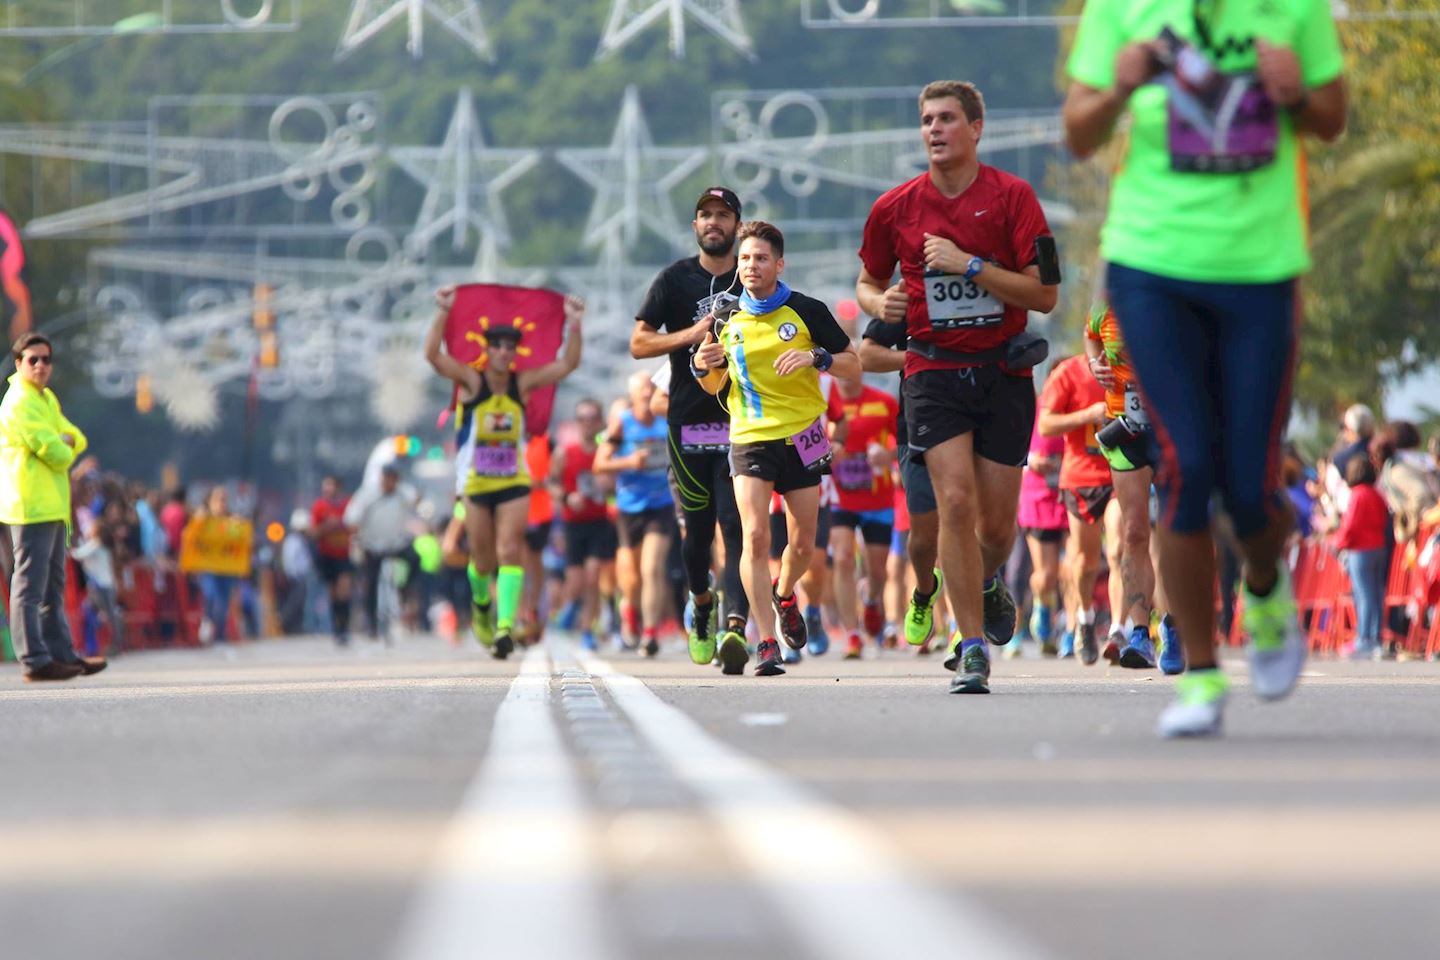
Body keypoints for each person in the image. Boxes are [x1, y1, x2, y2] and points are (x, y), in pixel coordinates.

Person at [1064, 0, 1346, 735]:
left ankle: (1263, 580)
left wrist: (1298, 92)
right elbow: (1078, 131)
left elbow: (1331, 117)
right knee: (1184, 468)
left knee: (1251, 488)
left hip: (1260, 266)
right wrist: (1119, 88)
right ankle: (1199, 675)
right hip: (1150, 264)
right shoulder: (1121, 11)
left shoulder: (1294, 10)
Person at [856, 80, 1059, 695]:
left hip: (1002, 371)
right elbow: (866, 282)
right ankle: (971, 646)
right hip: (930, 371)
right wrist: (879, 298)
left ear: (976, 128)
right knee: (955, 504)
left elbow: (1045, 293)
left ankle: (988, 581)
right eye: (926, 120)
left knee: (996, 529)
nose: (935, 130)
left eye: (947, 119)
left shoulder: (1014, 197)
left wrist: (970, 265)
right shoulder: (895, 207)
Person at [693, 220, 860, 677]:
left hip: (804, 436)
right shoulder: (724, 318)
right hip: (749, 436)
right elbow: (713, 385)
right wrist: (702, 364)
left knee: (804, 545)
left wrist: (817, 357)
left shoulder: (807, 310)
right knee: (755, 537)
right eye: (745, 258)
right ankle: (766, 642)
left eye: (761, 258)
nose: (751, 266)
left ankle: (786, 594)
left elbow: (853, 363)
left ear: (779, 264)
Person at [425, 285, 584, 659]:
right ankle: (482, 606)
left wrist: (574, 325)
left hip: (514, 480)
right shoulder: (471, 381)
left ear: (514, 352)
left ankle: (504, 627)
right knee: (482, 562)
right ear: (487, 349)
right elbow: (432, 355)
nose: (502, 352)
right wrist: (444, 311)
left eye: (508, 347)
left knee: (509, 550)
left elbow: (566, 366)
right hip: (477, 483)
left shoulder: (522, 384)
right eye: (495, 345)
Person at [630, 187, 750, 667]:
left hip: (742, 422)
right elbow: (639, 343)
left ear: (738, 224)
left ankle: (736, 628)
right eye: (705, 215)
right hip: (688, 424)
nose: (713, 222)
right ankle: (703, 604)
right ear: (695, 226)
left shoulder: (752, 277)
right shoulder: (674, 280)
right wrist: (692, 335)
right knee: (697, 535)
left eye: (723, 214)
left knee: (737, 525)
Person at [1085, 283, 1181, 673]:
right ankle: (1140, 633)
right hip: (1125, 428)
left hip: (1173, 429)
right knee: (1134, 531)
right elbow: (1090, 337)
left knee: (1176, 531)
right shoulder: (1105, 304)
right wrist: (1095, 365)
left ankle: (1173, 628)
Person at [0, 332, 103, 681]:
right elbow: (58, 452)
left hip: (55, 506)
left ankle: (62, 654)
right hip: (29, 506)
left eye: (46, 359)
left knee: (52, 589)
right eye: (33, 359)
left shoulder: (46, 399)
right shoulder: (18, 402)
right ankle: (33, 660)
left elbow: (77, 437)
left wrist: (62, 443)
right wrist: (61, 444)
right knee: (28, 587)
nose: (41, 365)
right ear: (19, 364)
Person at [857, 318, 946, 656]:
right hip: (890, 493)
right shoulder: (840, 402)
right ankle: (905, 611)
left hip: (968, 422)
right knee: (902, 563)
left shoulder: (883, 405)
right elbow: (869, 352)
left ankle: (961, 631)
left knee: (960, 531)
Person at [1038, 355, 1114, 666]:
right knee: (1084, 562)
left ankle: (1125, 630)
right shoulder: (1070, 372)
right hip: (1080, 479)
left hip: (1124, 472)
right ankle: (1083, 617)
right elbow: (1045, 424)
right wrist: (1088, 415)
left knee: (1125, 543)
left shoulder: (1137, 360)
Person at [594, 372, 675, 657]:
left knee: (652, 568)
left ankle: (650, 632)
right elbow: (599, 464)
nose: (647, 392)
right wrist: (629, 461)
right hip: (629, 506)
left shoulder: (666, 420)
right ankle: (629, 608)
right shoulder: (623, 423)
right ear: (632, 395)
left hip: (662, 503)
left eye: (651, 387)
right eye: (641, 388)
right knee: (631, 579)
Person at [826, 372, 899, 659]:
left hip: (878, 498)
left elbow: (904, 441)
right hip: (839, 497)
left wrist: (888, 456)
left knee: (878, 571)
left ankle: (870, 599)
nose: (844, 377)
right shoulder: (822, 399)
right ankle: (852, 634)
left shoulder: (883, 402)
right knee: (843, 558)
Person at [548, 398, 617, 652]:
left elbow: (615, 481)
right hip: (573, 524)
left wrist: (608, 485)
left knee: (593, 576)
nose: (588, 424)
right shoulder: (565, 452)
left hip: (599, 522)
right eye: (582, 419)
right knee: (576, 582)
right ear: (577, 423)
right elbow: (551, 483)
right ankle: (570, 607)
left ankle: (588, 630)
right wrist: (567, 498)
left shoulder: (606, 451)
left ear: (600, 421)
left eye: (592, 418)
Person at [345, 464, 419, 642]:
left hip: (396, 543)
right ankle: (371, 624)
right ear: (381, 479)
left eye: (393, 479)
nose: (390, 483)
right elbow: (351, 518)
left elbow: (416, 498)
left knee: (415, 559)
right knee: (370, 584)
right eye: (387, 479)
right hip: (372, 545)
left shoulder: (402, 492)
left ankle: (404, 589)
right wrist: (357, 535)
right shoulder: (367, 494)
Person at [1018, 415, 1067, 657]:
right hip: (1039, 498)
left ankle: (1073, 631)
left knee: (1074, 568)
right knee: (1046, 575)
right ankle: (1042, 606)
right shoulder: (1031, 408)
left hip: (1073, 491)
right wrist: (1031, 461)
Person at [1333, 455, 1390, 660]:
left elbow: (1351, 525)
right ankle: (1375, 638)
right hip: (1379, 547)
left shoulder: (1357, 495)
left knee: (1363, 594)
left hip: (1360, 550)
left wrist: (1338, 544)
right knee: (1375, 595)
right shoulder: (1377, 494)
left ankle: (1363, 639)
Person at [311, 475, 354, 645]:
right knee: (333, 594)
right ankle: (336, 629)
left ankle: (345, 628)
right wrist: (327, 527)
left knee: (344, 590)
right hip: (326, 556)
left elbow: (355, 525)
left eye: (331, 486)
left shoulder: (348, 505)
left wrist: (342, 524)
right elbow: (313, 532)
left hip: (343, 556)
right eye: (325, 487)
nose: (327, 490)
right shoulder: (319, 507)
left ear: (338, 488)